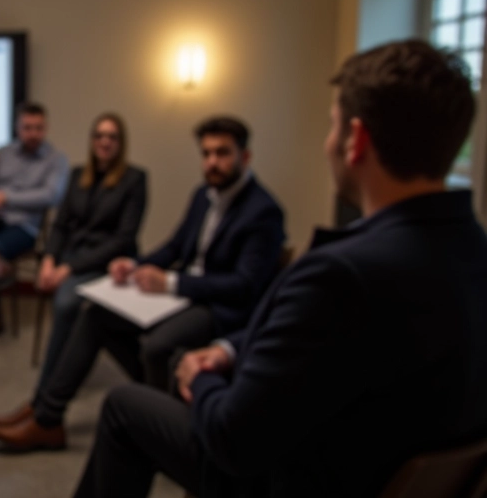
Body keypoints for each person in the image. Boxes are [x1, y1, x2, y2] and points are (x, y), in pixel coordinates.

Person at [73, 40, 487, 498]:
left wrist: (201, 374)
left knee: (123, 406)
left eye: (332, 127)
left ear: (357, 140)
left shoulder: (340, 276)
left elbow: (233, 440)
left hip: (298, 477)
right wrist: (229, 351)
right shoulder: (469, 249)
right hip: (383, 461)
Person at [0, 115, 284, 452]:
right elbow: (175, 247)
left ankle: (159, 424)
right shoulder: (204, 196)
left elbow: (243, 286)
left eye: (222, 153)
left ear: (244, 157)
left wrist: (172, 282)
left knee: (156, 345)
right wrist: (135, 265)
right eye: (206, 154)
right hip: (185, 295)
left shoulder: (263, 211)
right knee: (95, 315)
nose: (212, 163)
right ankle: (48, 417)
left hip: (220, 309)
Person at [33, 112, 147, 396]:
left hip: (108, 262)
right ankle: (57, 380)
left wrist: (67, 268)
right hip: (73, 256)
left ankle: (45, 394)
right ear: (92, 141)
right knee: (65, 298)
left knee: (67, 303)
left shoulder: (134, 180)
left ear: (121, 142)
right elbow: (60, 226)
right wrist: (48, 261)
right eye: (99, 136)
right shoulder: (77, 175)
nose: (105, 142)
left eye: (112, 136)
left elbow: (123, 240)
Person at [0, 102, 69, 344]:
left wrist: (6, 197)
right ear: (18, 128)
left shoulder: (56, 160)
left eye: (38, 128)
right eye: (27, 128)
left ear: (46, 128)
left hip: (24, 227)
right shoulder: (3, 152)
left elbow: (51, 195)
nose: (33, 134)